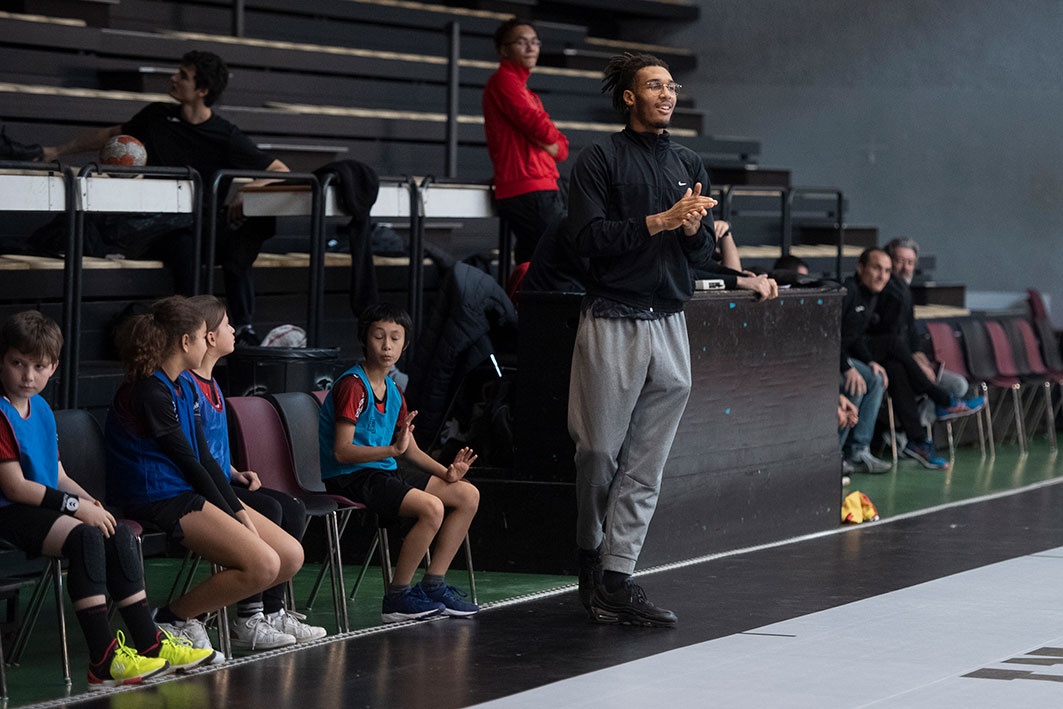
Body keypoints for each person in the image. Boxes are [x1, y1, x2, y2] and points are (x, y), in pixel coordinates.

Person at [568, 53, 718, 628]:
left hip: (670, 322)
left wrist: (693, 230)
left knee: (646, 464)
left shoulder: (689, 161)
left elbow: (700, 253)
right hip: (613, 316)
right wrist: (660, 221)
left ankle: (617, 576)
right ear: (629, 97)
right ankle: (589, 552)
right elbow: (587, 240)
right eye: (655, 85)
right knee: (598, 452)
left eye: (671, 86)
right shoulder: (599, 159)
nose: (668, 94)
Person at [0, 311, 216, 688]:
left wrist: (90, 503)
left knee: (114, 531)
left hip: (42, 507)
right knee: (86, 537)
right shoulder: (2, 412)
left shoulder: (43, 410)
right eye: (18, 363)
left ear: (54, 367)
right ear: (2, 360)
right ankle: (102, 660)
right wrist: (76, 507)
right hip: (10, 512)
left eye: (39, 366)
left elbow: (58, 475)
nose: (28, 376)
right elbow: (16, 487)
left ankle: (149, 642)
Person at [42, 50, 290, 346]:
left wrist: (249, 189)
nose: (173, 78)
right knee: (184, 247)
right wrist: (55, 152)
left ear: (202, 90)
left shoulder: (226, 135)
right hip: (159, 229)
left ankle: (243, 329)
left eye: (183, 76)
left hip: (204, 228)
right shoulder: (156, 116)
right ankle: (191, 332)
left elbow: (280, 170)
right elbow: (108, 135)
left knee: (241, 243)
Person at [105, 296, 305, 654]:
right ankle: (171, 619)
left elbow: (206, 460)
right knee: (264, 564)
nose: (206, 342)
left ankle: (182, 619)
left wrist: (240, 513)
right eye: (201, 337)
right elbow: (188, 462)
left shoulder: (182, 386)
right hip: (156, 497)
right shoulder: (149, 390)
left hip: (184, 491)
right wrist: (237, 516)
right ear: (186, 342)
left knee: (290, 556)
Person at [319, 303, 481, 623]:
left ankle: (433, 585)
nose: (387, 345)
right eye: (379, 336)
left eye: (395, 338)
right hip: (351, 475)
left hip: (383, 470)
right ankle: (397, 597)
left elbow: (410, 450)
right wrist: (391, 450)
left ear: (405, 345)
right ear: (364, 339)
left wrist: (448, 472)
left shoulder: (393, 390)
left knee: (467, 494)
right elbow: (342, 452)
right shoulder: (353, 386)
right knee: (432, 508)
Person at [183, 295, 326, 648]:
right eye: (227, 325)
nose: (234, 330)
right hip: (201, 488)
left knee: (292, 507)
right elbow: (192, 454)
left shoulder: (213, 383)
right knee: (272, 509)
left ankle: (272, 611)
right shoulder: (187, 386)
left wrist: (235, 472)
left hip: (222, 481)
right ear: (210, 337)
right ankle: (248, 618)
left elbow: (211, 449)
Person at [872, 237, 982, 444]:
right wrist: (916, 365)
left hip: (906, 359)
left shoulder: (904, 291)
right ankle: (911, 436)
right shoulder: (887, 293)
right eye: (899, 261)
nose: (905, 268)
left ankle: (903, 437)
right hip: (891, 362)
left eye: (910, 263)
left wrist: (921, 359)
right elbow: (890, 339)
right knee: (934, 383)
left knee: (958, 385)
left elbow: (912, 336)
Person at [483, 18, 569, 265]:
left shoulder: (527, 93)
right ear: (504, 50)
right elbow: (543, 130)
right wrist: (545, 139)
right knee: (550, 263)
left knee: (534, 263)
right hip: (528, 189)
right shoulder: (503, 81)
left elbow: (561, 149)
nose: (531, 48)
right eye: (522, 42)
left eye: (535, 42)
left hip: (539, 186)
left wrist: (546, 139)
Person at [838, 248, 894, 474]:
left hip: (842, 357)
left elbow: (855, 336)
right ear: (861, 268)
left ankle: (858, 451)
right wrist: (846, 368)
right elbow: (828, 336)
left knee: (875, 377)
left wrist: (870, 361)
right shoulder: (847, 292)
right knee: (856, 384)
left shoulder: (871, 296)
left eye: (887, 271)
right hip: (826, 360)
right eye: (877, 268)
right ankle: (835, 455)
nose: (882, 276)